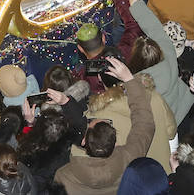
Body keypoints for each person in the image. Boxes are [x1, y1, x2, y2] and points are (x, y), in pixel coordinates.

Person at [54, 60, 156, 195]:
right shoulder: (129, 157)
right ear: (115, 142)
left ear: (84, 141)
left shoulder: (63, 176)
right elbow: (144, 123)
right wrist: (129, 79)